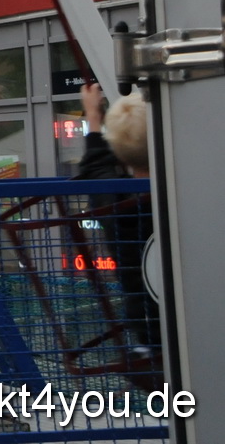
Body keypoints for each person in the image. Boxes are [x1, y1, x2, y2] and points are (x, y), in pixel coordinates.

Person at [77, 83, 157, 349]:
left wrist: (94, 117)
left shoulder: (116, 205)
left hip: (147, 328)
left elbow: (96, 165)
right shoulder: (186, 193)